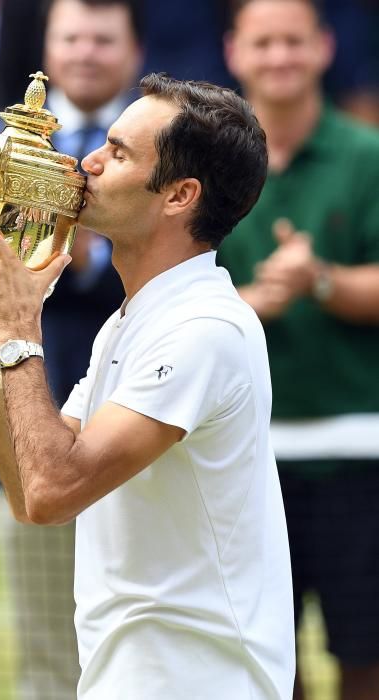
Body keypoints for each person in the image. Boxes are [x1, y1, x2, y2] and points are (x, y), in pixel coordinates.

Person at [0, 72, 295, 699]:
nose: (89, 162)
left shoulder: (204, 329)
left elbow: (53, 490)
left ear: (180, 195)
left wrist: (21, 325)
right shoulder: (133, 321)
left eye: (120, 153)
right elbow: (28, 491)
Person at [0, 1, 143, 697]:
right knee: (44, 637)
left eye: (103, 38)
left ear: (132, 50)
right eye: (70, 36)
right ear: (47, 47)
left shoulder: (168, 149)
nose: (86, 51)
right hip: (31, 412)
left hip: (137, 422)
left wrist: (84, 262)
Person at [219, 1, 379, 698]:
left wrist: (317, 279)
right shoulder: (204, 161)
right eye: (263, 42)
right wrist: (248, 305)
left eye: (293, 41)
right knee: (262, 663)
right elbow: (160, 286)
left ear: (322, 48)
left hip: (356, 455)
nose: (278, 56)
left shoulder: (367, 155)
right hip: (239, 464)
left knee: (364, 655)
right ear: (233, 53)